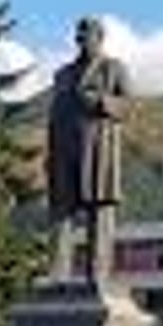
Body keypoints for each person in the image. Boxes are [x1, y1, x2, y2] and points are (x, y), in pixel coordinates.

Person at [45, 16, 133, 288]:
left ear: (99, 38)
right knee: (61, 212)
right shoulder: (63, 74)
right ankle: (58, 274)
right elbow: (55, 114)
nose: (81, 41)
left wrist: (101, 102)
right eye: (79, 37)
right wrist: (50, 153)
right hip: (64, 150)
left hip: (98, 149)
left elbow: (127, 106)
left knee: (100, 211)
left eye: (87, 36)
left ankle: (98, 274)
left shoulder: (114, 68)